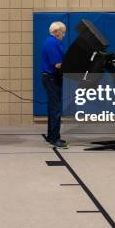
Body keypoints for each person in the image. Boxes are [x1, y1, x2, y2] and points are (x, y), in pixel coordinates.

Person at [41, 21, 68, 149]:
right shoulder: (52, 43)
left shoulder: (50, 41)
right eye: (63, 32)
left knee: (52, 108)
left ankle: (51, 136)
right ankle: (54, 138)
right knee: (55, 109)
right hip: (52, 78)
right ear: (56, 32)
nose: (63, 35)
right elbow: (57, 64)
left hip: (51, 78)